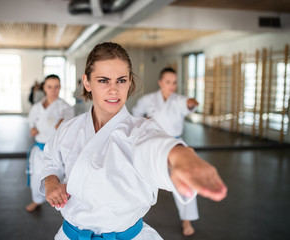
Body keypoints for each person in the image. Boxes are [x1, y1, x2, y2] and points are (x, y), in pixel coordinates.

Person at [39, 42, 227, 239]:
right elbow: (51, 161)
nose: (114, 90)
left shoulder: (140, 130)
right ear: (87, 82)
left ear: (129, 82)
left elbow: (154, 147)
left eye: (121, 80)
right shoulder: (68, 129)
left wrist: (179, 156)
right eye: (103, 80)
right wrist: (51, 181)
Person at [132, 67, 199, 236]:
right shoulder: (148, 99)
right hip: (152, 145)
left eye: (174, 82)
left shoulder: (178, 100)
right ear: (160, 82)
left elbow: (187, 103)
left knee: (185, 179)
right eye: (168, 82)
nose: (171, 85)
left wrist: (191, 103)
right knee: (140, 180)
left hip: (175, 144)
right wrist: (144, 120)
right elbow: (136, 114)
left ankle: (187, 220)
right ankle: (132, 218)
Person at [26, 74, 74, 212]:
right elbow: (31, 121)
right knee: (36, 177)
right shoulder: (37, 106)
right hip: (39, 149)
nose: (53, 90)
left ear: (60, 88)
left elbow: (67, 123)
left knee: (60, 179)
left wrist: (63, 123)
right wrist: (32, 127)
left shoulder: (65, 108)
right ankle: (36, 200)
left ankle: (63, 205)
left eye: (56, 87)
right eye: (49, 87)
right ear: (44, 88)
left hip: (56, 152)